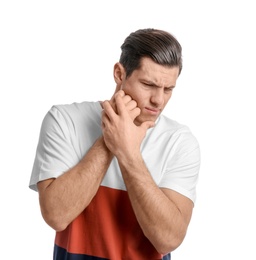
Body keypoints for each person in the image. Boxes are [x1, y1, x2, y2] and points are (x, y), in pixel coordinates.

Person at [29, 28, 200, 260]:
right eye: (148, 84)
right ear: (119, 74)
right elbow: (56, 216)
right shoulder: (64, 120)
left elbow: (168, 239)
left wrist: (128, 152)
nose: (158, 100)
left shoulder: (179, 141)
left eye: (168, 89)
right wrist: (109, 141)